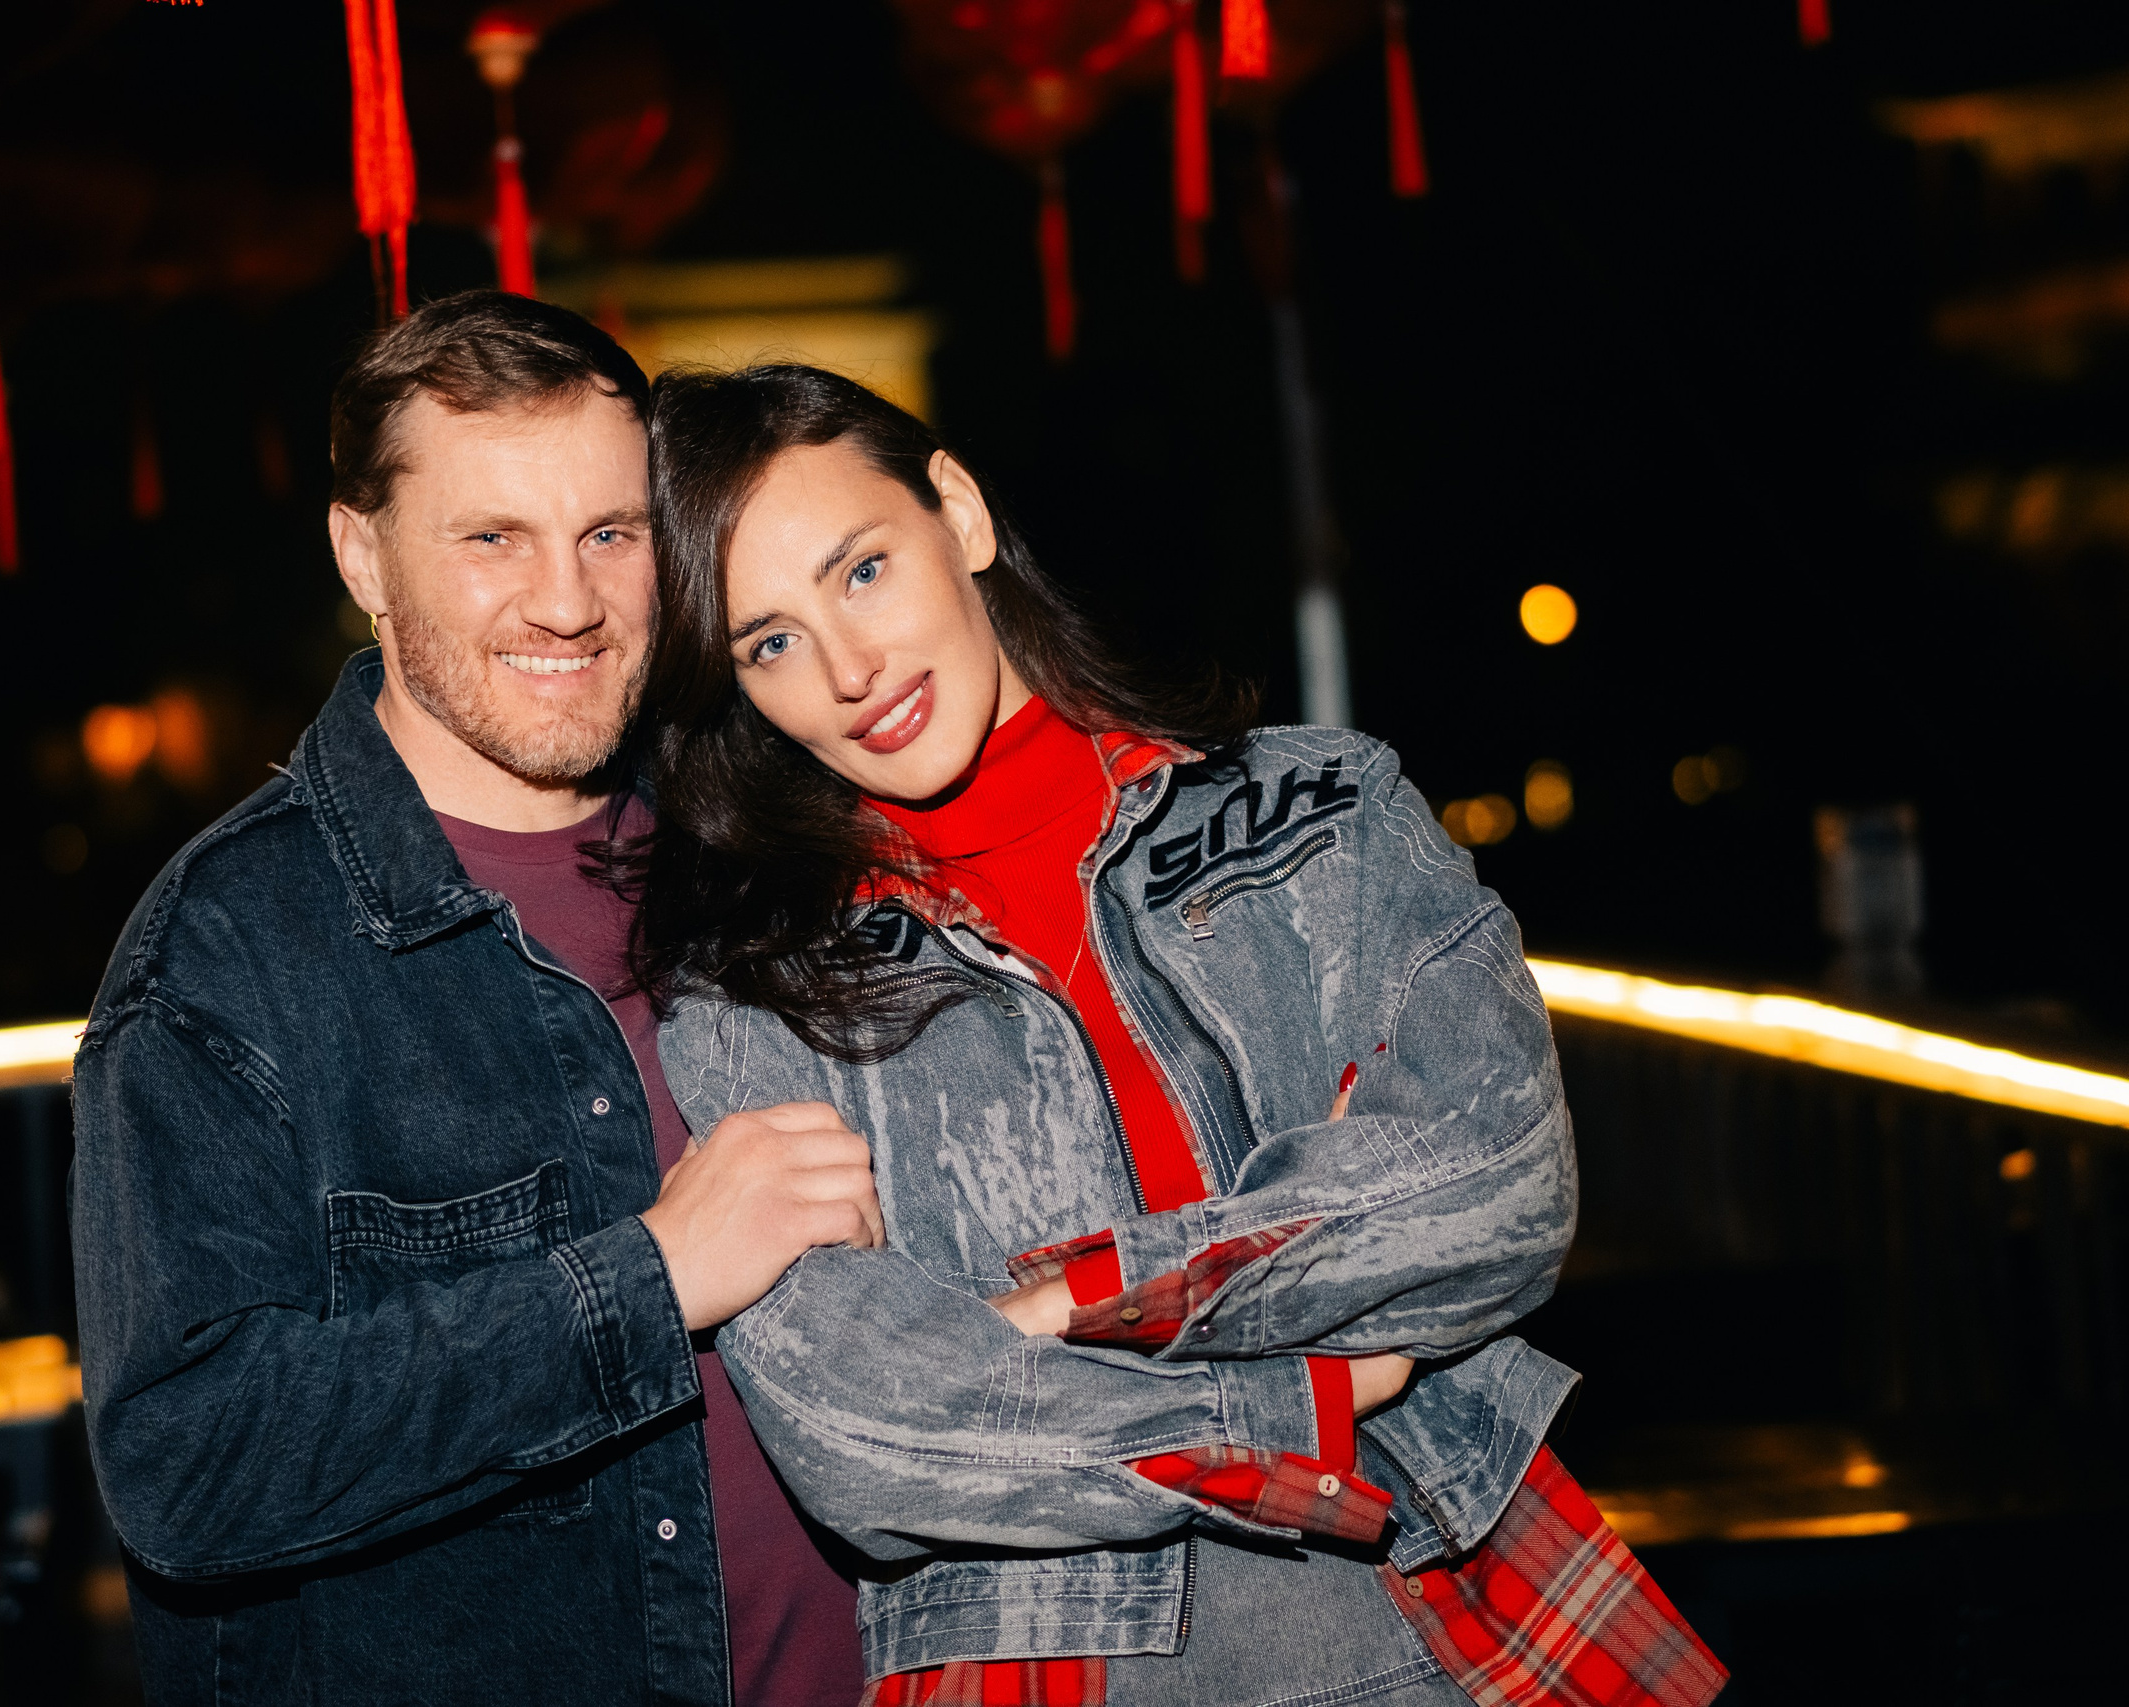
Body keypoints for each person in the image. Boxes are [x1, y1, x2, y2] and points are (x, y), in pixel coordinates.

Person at [634, 364, 1728, 1707]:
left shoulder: (1319, 811)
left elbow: (1491, 1185)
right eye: (771, 643)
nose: (849, 669)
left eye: (862, 571)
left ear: (961, 515)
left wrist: (1062, 1305)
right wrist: (1306, 1392)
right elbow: (874, 1435)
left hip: (1436, 1608)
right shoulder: (757, 995)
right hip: (1040, 1660)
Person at [70, 295, 879, 1705]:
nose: (565, 601)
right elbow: (187, 1466)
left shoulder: (757, 847)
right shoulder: (229, 959)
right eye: (491, 538)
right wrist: (649, 1280)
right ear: (362, 555)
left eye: (609, 536)